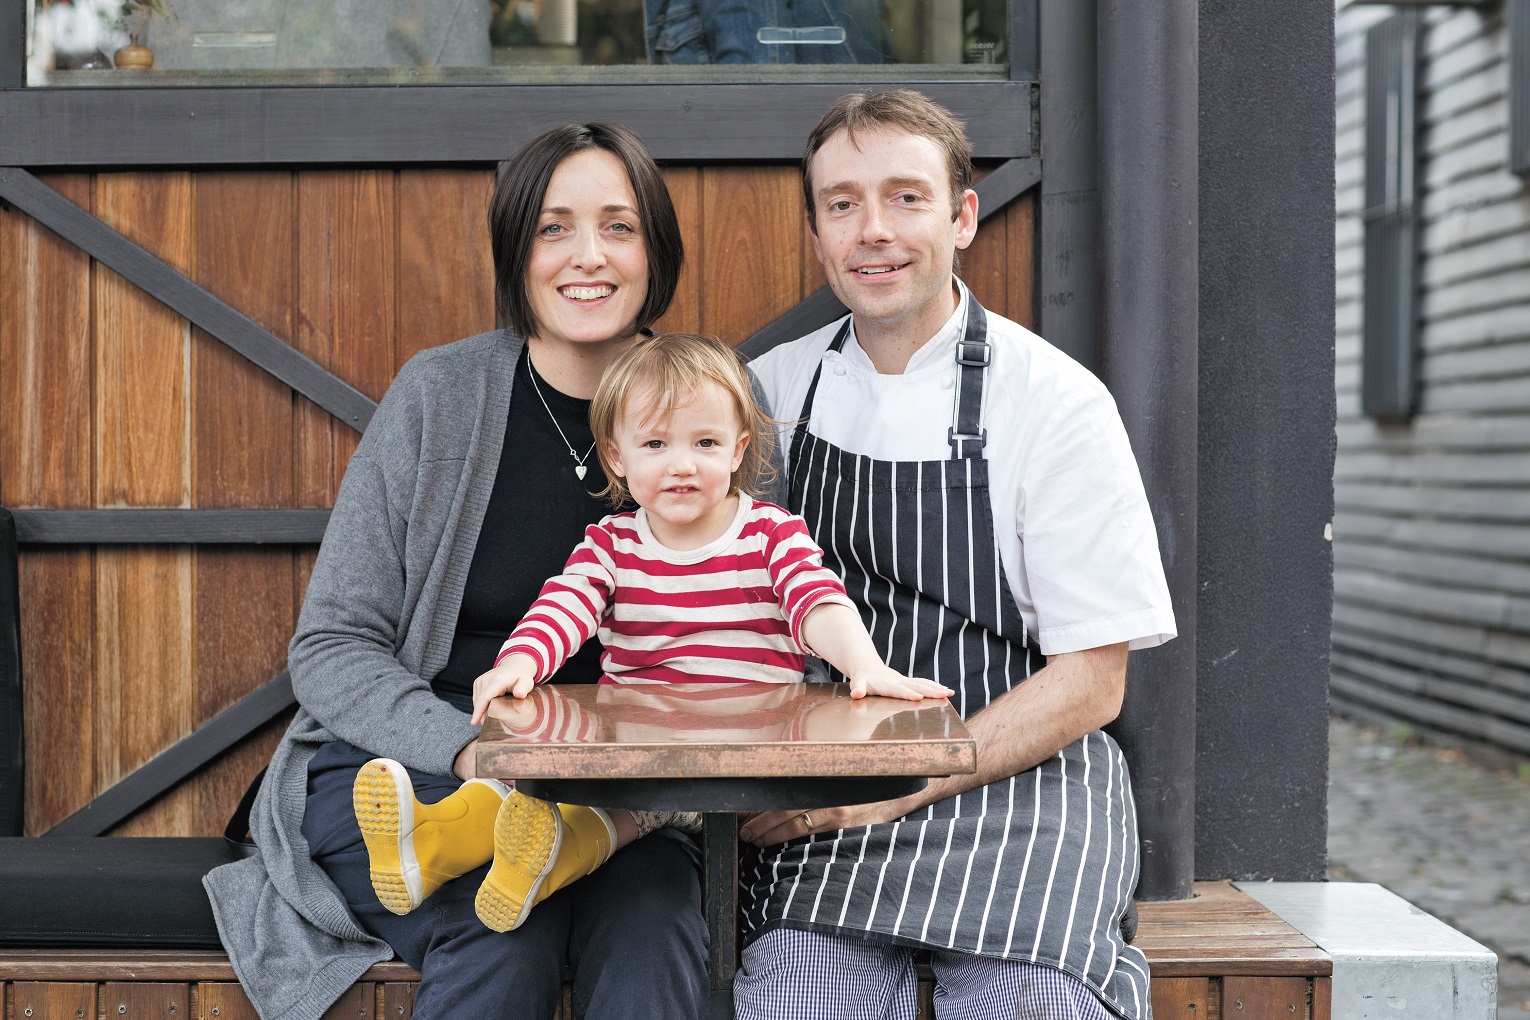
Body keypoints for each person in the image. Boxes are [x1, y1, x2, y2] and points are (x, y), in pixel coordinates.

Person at [203, 123, 714, 1020]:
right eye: (554, 228)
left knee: (659, 931)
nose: (586, 257)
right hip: (412, 772)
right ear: (516, 253)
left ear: (655, 251)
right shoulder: (441, 397)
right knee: (500, 926)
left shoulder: (712, 406)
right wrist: (477, 752)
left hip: (632, 804)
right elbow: (331, 647)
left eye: (618, 227)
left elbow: (766, 628)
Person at [736, 90, 1177, 1020]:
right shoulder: (770, 397)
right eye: (843, 203)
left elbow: (1094, 683)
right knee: (799, 1000)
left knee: (1033, 1004)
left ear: (963, 216)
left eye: (906, 197)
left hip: (1027, 782)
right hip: (836, 792)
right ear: (816, 231)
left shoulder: (1056, 402)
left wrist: (896, 792)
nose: (873, 232)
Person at [353, 332, 953, 938]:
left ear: (739, 448)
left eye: (706, 442)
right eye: (657, 444)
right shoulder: (613, 543)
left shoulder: (771, 534)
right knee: (537, 778)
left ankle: (522, 856)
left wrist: (864, 665)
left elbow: (817, 603)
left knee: (625, 809)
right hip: (630, 746)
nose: (683, 464)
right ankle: (429, 841)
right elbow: (565, 605)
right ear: (617, 457)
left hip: (733, 757)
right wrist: (522, 660)